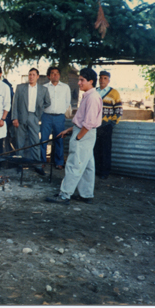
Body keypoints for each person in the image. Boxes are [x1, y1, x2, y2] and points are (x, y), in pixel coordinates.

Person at [45, 68, 102, 205]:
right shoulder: (88, 95)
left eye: (82, 80)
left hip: (84, 134)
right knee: (88, 165)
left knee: (73, 164)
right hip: (83, 132)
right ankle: (86, 194)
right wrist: (70, 129)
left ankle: (64, 195)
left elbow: (88, 124)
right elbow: (83, 120)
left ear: (91, 81)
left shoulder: (93, 98)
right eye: (79, 79)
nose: (79, 83)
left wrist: (77, 138)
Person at [11, 68, 51, 175]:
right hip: (21, 117)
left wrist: (39, 110)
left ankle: (37, 165)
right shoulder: (20, 87)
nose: (31, 77)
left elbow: (48, 102)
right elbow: (14, 104)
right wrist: (14, 118)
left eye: (33, 75)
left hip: (33, 117)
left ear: (38, 76)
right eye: (30, 74)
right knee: (20, 142)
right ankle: (20, 164)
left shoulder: (43, 89)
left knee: (35, 142)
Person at [40, 66, 71, 170]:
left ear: (59, 75)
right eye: (52, 73)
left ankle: (59, 163)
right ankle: (42, 161)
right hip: (46, 117)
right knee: (44, 140)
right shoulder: (44, 87)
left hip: (59, 117)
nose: (55, 75)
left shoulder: (65, 87)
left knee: (59, 140)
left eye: (57, 73)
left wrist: (60, 110)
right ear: (49, 76)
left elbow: (67, 102)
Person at [94, 71, 123, 179]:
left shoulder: (114, 93)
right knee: (95, 148)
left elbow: (119, 109)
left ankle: (104, 172)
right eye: (100, 78)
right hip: (94, 125)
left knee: (105, 149)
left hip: (106, 126)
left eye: (105, 78)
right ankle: (96, 170)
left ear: (109, 80)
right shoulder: (95, 91)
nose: (102, 80)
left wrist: (112, 122)